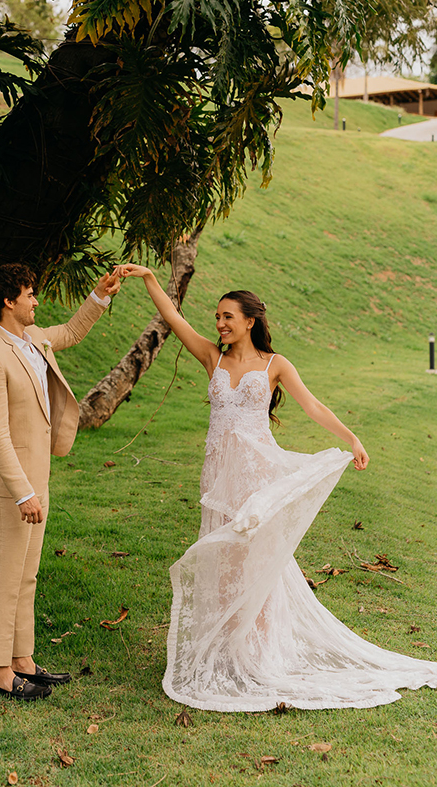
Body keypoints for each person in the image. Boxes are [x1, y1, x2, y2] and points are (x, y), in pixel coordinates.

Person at [116, 266, 437, 711]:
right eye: (217, 317)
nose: (220, 324)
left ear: (250, 321)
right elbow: (173, 318)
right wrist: (150, 278)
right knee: (225, 566)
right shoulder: (213, 358)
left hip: (256, 477)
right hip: (218, 478)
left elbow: (313, 405)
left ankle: (260, 656)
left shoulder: (275, 364)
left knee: (257, 565)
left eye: (228, 316)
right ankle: (229, 651)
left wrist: (352, 438)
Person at [0, 263, 120, 702]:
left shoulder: (33, 340)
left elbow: (72, 332)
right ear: (9, 301)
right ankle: (0, 670)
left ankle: (23, 661)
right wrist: (23, 493)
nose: (36, 301)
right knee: (5, 575)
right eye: (31, 294)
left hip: (38, 477)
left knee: (27, 575)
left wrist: (101, 294)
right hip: (8, 485)